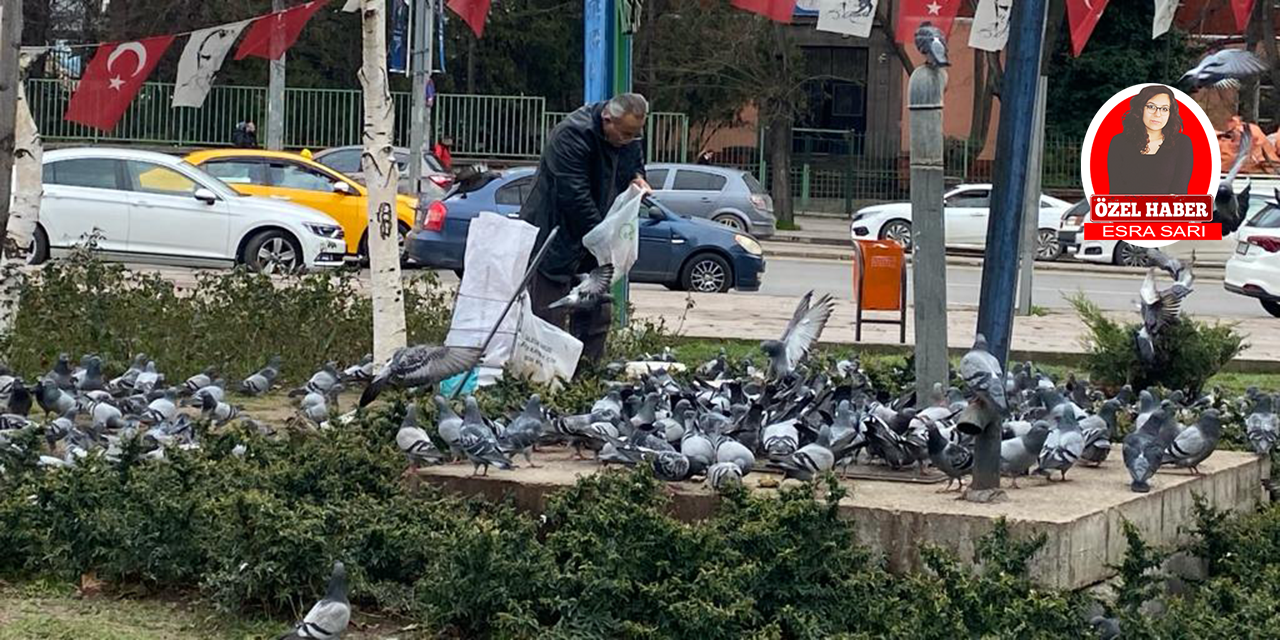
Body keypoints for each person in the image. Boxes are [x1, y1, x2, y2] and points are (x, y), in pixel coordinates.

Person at [520, 93, 651, 363]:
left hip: (596, 231)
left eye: (635, 135)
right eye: (625, 134)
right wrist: (604, 239)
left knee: (596, 308)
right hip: (554, 232)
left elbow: (633, 166)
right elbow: (574, 195)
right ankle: (545, 378)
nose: (629, 140)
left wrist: (638, 179)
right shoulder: (571, 134)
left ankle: (587, 375)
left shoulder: (629, 135)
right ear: (607, 120)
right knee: (549, 311)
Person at [1105, 84, 1194, 195]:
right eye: (1151, 107)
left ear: (1170, 113)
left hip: (1166, 211)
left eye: (1164, 109)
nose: (1157, 114)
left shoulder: (1182, 143)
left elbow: (1179, 193)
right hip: (1128, 211)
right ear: (1140, 109)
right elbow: (1115, 191)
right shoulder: (1119, 142)